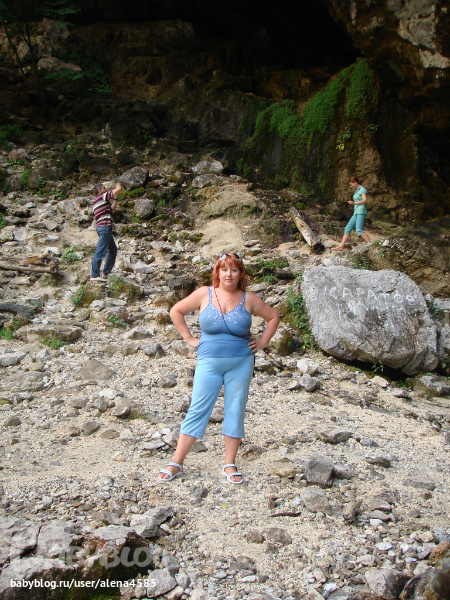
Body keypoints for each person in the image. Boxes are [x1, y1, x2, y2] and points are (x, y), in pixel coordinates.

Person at [158, 253, 280, 484]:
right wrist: (189, 338)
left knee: (235, 408)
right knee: (198, 408)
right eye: (224, 269)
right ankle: (177, 462)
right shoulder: (204, 293)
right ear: (218, 272)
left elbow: (273, 317)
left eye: (234, 270)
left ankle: (229, 464)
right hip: (209, 362)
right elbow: (176, 311)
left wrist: (263, 342)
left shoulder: (249, 299)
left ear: (241, 274)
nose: (228, 274)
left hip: (241, 362)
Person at [90, 181, 122, 282]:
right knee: (100, 252)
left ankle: (105, 274)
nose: (106, 189)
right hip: (104, 227)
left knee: (113, 250)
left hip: (103, 228)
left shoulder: (97, 201)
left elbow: (111, 210)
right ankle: (94, 275)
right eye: (104, 188)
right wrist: (118, 183)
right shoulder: (102, 197)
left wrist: (115, 199)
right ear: (100, 190)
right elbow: (119, 189)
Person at [333, 176, 370, 251]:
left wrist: (354, 203)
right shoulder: (356, 191)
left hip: (361, 212)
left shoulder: (362, 190)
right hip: (356, 212)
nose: (351, 186)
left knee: (358, 229)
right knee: (347, 228)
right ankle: (341, 246)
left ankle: (370, 244)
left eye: (351, 184)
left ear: (355, 182)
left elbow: (365, 200)